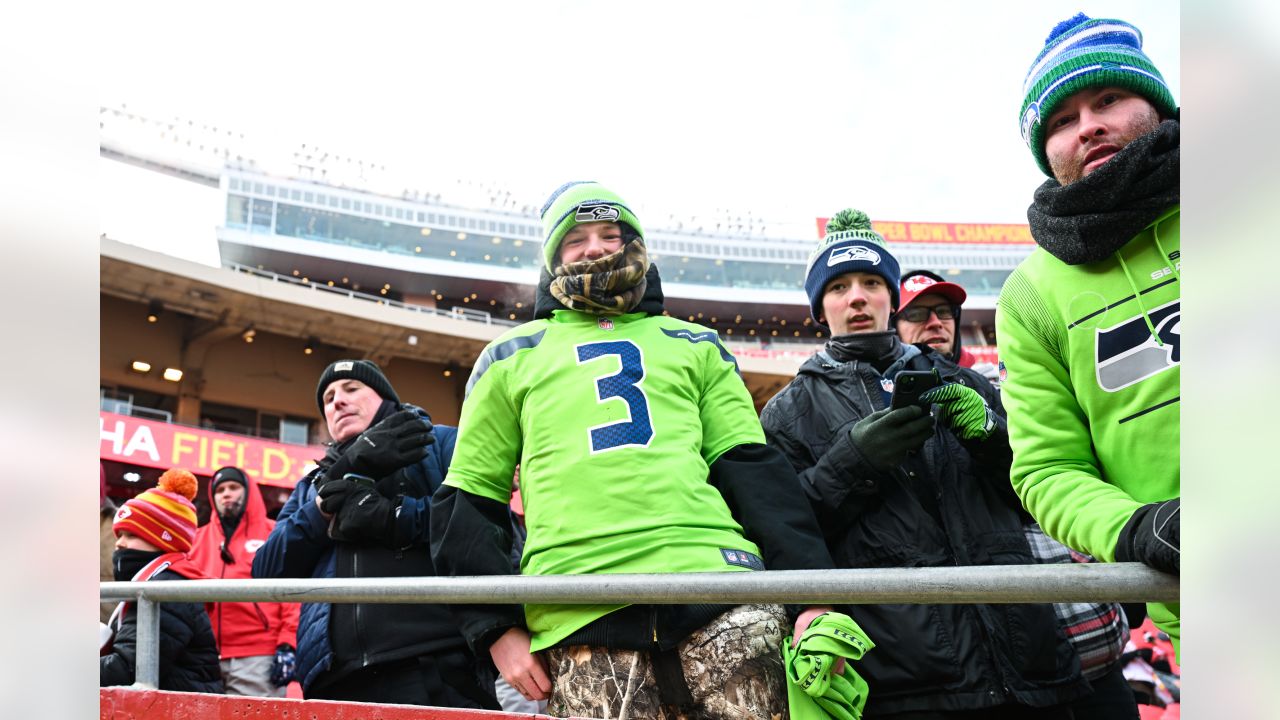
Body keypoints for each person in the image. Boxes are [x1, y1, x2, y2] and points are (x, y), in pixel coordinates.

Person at [430, 181, 842, 720]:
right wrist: (496, 629)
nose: (596, 248)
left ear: (639, 247)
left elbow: (753, 471)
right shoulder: (510, 355)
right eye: (575, 239)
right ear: (551, 258)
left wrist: (813, 595)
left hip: (721, 593)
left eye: (611, 234)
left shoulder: (695, 343)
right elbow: (470, 499)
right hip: (577, 610)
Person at [761, 209, 1087, 719]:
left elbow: (1035, 499)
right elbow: (788, 533)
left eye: (871, 281)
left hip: (1030, 663)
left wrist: (988, 436)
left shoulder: (966, 383)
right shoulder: (785, 413)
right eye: (839, 286)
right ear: (819, 309)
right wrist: (854, 462)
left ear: (892, 298)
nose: (858, 296)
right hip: (908, 682)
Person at [999, 12, 1180, 656]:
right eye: (1061, 120)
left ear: (1156, 104)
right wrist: (1136, 528)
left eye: (1108, 99)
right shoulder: (1029, 295)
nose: (1089, 127)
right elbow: (1047, 469)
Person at [896, 271, 1137, 719]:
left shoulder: (1007, 383)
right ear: (894, 328)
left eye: (944, 312)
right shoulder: (901, 415)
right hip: (1021, 658)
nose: (935, 322)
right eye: (916, 314)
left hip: (1097, 633)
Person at [251, 359, 498, 709]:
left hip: (434, 664)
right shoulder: (310, 486)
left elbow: (483, 523)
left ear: (386, 399)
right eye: (329, 398)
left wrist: (393, 517)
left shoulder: (441, 442)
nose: (337, 401)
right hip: (332, 679)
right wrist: (326, 500)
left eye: (352, 389)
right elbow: (266, 571)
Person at [101, 468, 223, 693]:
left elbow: (129, 668)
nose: (119, 544)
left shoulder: (168, 589)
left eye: (131, 535)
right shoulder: (160, 582)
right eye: (119, 535)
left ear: (163, 540)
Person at [188, 466, 300, 696]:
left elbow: (293, 594)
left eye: (233, 487)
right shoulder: (197, 539)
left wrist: (288, 643)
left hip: (258, 656)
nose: (226, 494)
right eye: (220, 490)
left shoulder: (274, 534)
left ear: (248, 492)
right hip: (205, 657)